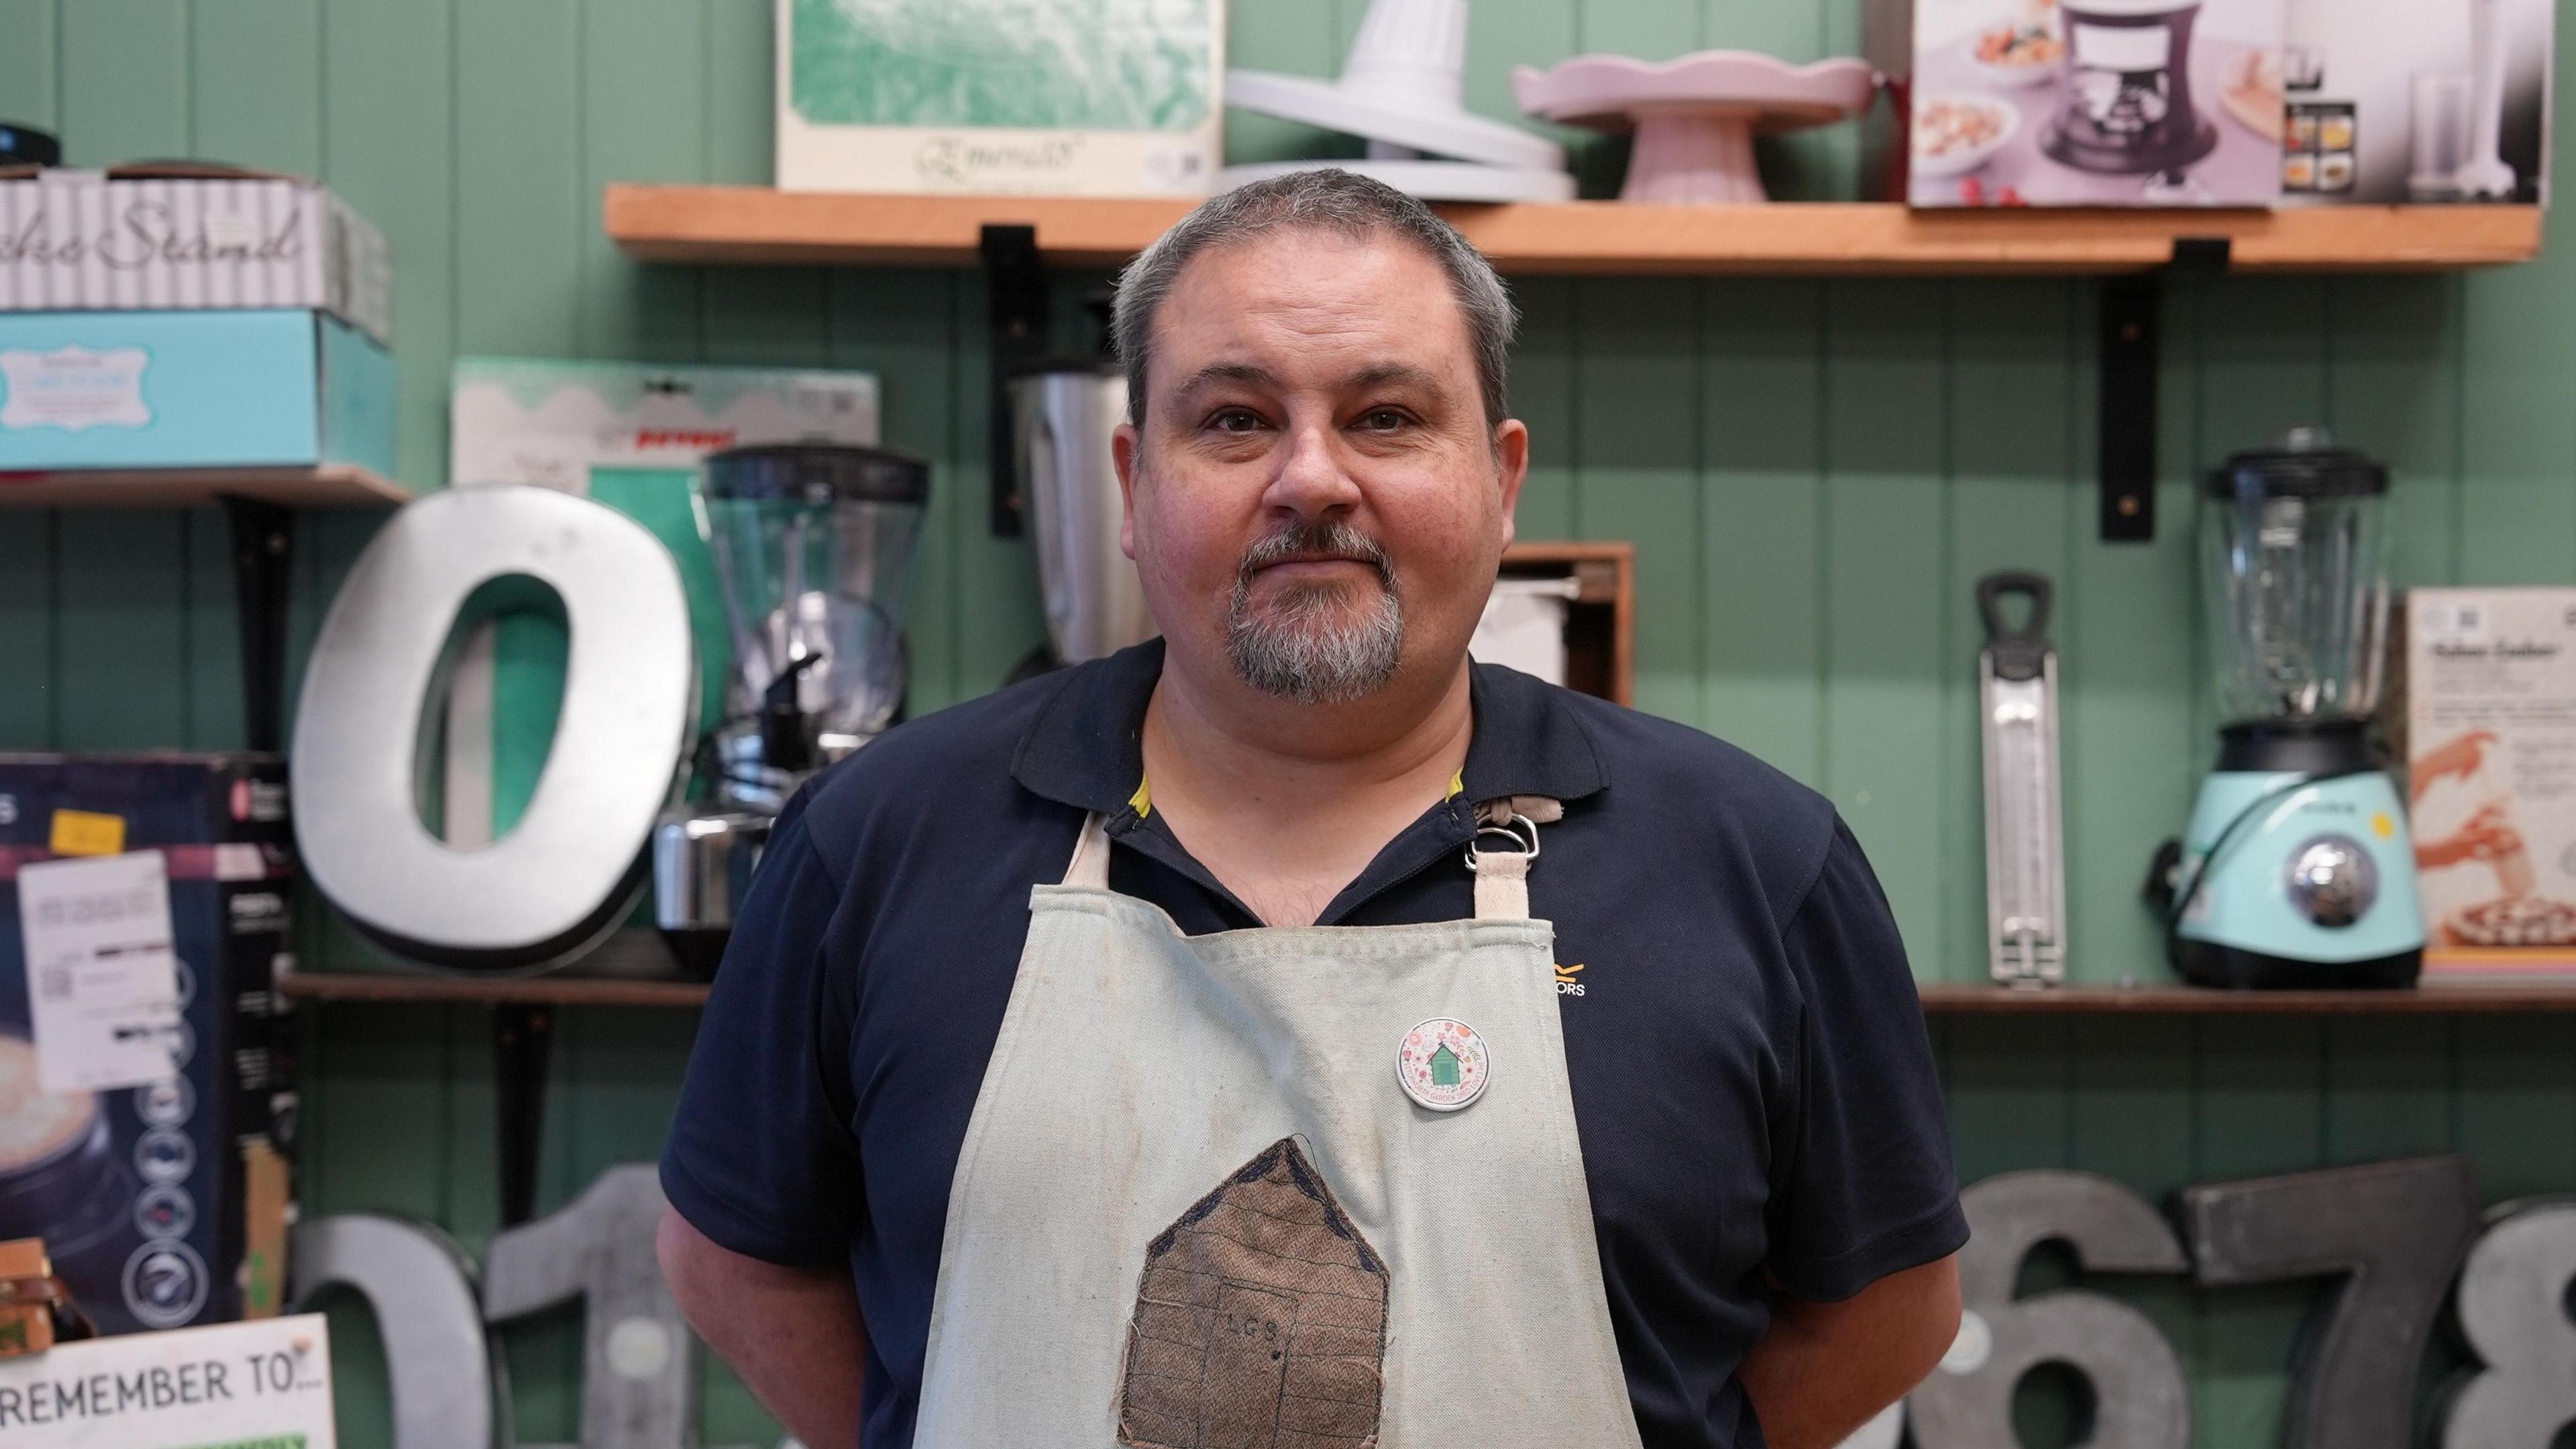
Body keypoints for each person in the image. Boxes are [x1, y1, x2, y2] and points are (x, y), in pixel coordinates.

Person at [658, 168, 1965, 1449]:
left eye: (1386, 417)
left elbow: (1890, 1314)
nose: (1311, 480)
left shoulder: (1756, 867)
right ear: (1131, 481)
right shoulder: (875, 845)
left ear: (1502, 482)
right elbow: (736, 1266)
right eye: (1233, 420)